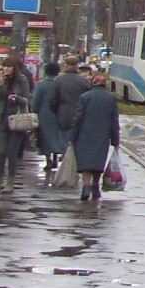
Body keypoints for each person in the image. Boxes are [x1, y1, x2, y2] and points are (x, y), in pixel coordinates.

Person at [68, 70, 121, 202]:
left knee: (86, 162)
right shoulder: (111, 98)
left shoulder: (84, 97)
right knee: (98, 161)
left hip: (85, 134)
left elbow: (78, 118)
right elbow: (114, 121)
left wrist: (72, 137)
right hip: (103, 135)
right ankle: (96, 187)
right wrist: (115, 140)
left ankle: (86, 187)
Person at [0, 56, 33, 191]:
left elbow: (27, 99)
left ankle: (10, 182)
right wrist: (0, 84)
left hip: (17, 119)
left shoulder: (22, 80)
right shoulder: (1, 80)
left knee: (12, 152)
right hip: (3, 117)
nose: (6, 69)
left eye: (9, 66)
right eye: (4, 66)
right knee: (1, 152)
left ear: (14, 68)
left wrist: (17, 98)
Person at [31, 59, 67, 177]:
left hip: (44, 114)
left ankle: (48, 160)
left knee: (45, 137)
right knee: (57, 136)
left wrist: (34, 113)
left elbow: (36, 101)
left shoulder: (41, 85)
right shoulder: (61, 84)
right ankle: (56, 157)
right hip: (59, 113)